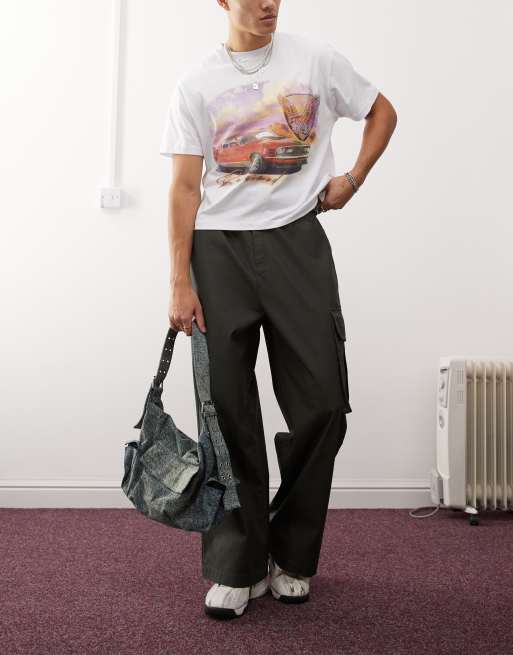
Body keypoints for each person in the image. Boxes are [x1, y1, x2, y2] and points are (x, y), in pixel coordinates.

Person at [160, 0, 397, 620]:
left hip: (297, 240)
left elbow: (382, 111)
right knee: (226, 410)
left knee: (323, 402)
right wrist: (180, 280)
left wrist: (354, 177)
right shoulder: (196, 82)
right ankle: (238, 565)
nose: (268, 3)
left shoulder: (315, 59)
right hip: (218, 252)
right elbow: (184, 188)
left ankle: (290, 552)